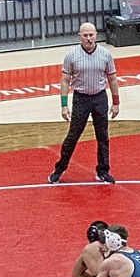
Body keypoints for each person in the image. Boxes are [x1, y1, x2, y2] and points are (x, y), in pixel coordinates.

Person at [49, 22, 118, 185]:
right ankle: (59, 169)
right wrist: (64, 105)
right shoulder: (71, 56)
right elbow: (65, 81)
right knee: (72, 136)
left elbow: (112, 79)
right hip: (81, 99)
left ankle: (103, 171)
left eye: (91, 35)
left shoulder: (105, 54)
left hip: (100, 97)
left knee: (103, 137)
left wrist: (116, 102)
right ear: (79, 37)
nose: (89, 38)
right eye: (85, 35)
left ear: (96, 35)